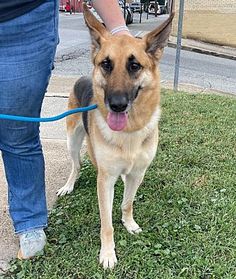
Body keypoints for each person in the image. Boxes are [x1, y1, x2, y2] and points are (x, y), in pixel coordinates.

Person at [0, 0, 130, 259]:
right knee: (71, 147)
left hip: (24, 17)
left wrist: (118, 28)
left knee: (18, 133)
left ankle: (29, 222)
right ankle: (74, 172)